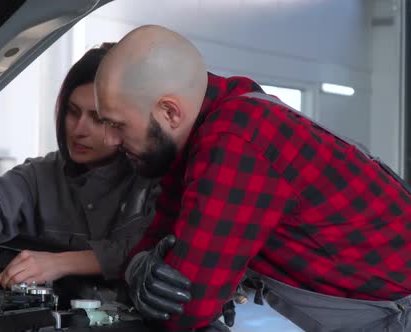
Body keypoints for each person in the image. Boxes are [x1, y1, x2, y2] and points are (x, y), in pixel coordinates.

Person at [94, 25, 411, 331]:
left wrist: (145, 275)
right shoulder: (208, 128)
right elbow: (157, 240)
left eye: (117, 125)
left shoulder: (236, 138)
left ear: (170, 112)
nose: (108, 140)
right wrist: (139, 270)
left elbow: (186, 307)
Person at [0, 42, 160, 288]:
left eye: (97, 118)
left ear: (122, 120)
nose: (79, 130)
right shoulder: (41, 176)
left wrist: (60, 263)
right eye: (72, 112)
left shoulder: (152, 178)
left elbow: (147, 249)